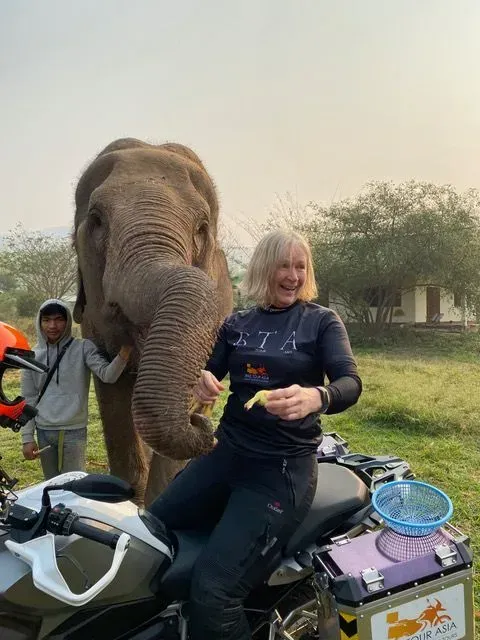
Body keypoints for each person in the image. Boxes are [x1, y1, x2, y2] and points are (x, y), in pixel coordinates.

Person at [149, 229, 362, 640]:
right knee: (151, 530)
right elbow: (210, 371)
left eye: (301, 266)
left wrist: (317, 396)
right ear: (264, 268)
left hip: (279, 473)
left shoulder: (321, 321)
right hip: (224, 454)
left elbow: (350, 382)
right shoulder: (238, 323)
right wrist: (202, 381)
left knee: (214, 589)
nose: (294, 275)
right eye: (284, 264)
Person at [20, 299, 131, 479]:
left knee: (74, 485)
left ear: (68, 322)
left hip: (74, 431)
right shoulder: (32, 357)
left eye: (58, 319)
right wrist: (27, 438)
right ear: (39, 322)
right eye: (46, 320)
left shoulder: (82, 348)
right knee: (52, 484)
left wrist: (125, 351)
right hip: (44, 432)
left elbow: (108, 375)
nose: (53, 325)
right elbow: (28, 399)